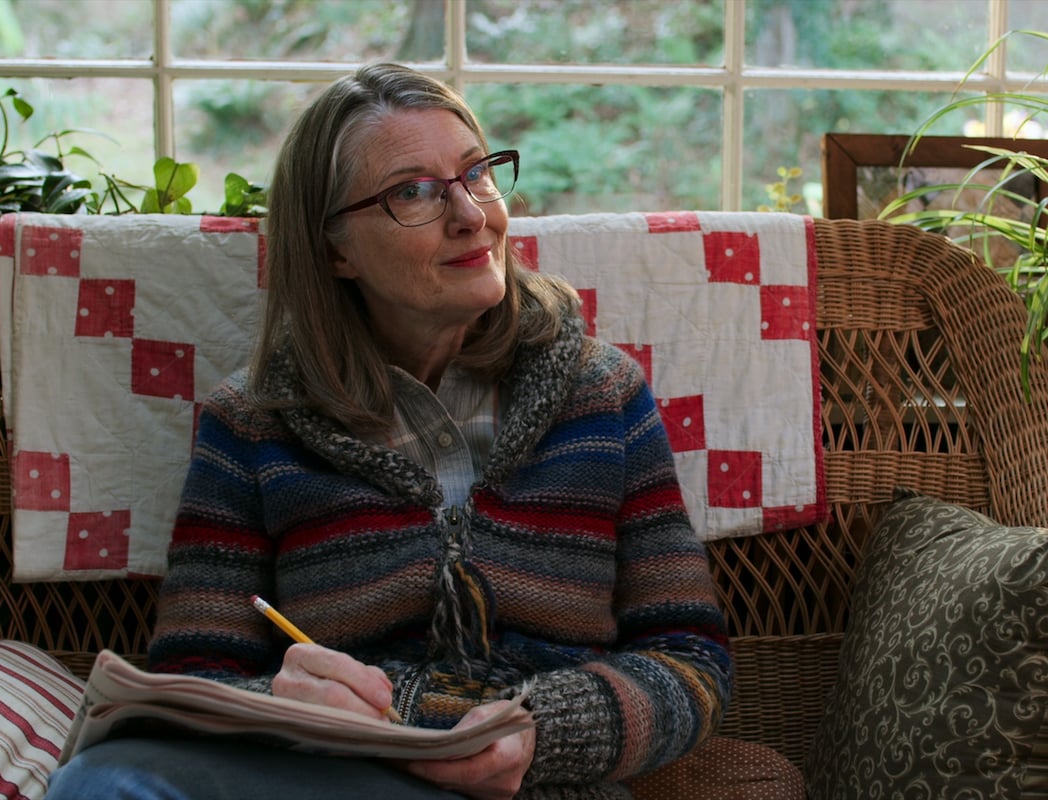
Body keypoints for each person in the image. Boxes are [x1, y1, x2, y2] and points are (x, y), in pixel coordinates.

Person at [47, 62, 732, 800]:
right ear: (335, 249)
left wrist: (542, 731)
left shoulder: (603, 395)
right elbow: (194, 678)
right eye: (413, 192)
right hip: (329, 781)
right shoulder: (251, 425)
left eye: (477, 174)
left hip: (541, 788)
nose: (471, 215)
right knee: (101, 783)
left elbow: (691, 659)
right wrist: (280, 702)